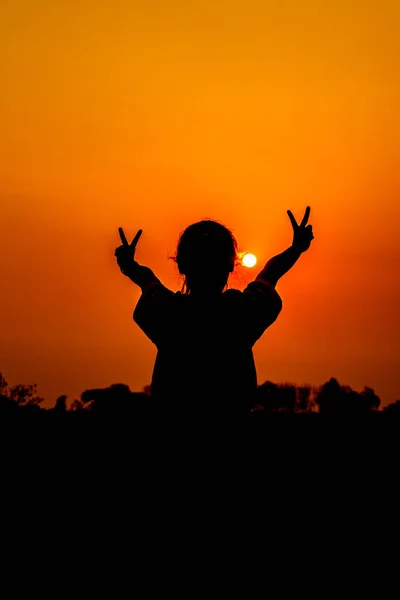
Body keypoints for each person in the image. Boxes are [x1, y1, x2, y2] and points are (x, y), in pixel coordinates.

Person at [115, 208, 314, 416]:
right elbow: (271, 272)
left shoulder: (167, 311)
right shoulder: (242, 312)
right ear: (230, 266)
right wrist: (296, 249)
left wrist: (129, 265)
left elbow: (146, 279)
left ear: (181, 265)